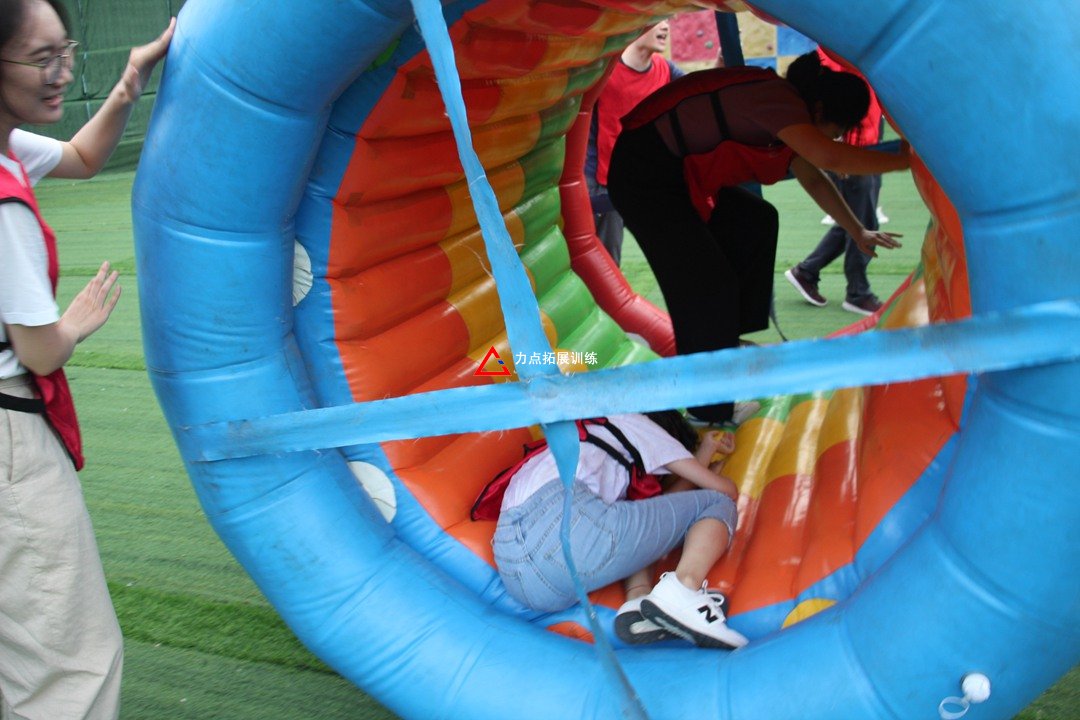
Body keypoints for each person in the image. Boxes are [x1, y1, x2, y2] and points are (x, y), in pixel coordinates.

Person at [0, 2, 173, 717]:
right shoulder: (4, 206)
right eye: (41, 58)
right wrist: (74, 323)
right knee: (68, 662)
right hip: (10, 445)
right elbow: (38, 350)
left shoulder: (10, 147)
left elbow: (79, 156)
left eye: (65, 51)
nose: (62, 73)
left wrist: (129, 81)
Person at [607, 51, 909, 425]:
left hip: (674, 174)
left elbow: (814, 177)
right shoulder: (776, 100)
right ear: (818, 109)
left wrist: (857, 230)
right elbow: (829, 158)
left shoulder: (785, 111)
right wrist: (906, 159)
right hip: (644, 175)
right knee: (707, 287)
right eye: (837, 129)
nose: (835, 137)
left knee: (755, 219)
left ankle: (727, 339)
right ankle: (706, 412)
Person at [477, 411, 748, 649]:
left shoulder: (588, 431)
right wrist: (708, 457)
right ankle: (684, 588)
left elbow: (656, 512)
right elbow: (725, 490)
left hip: (518, 574)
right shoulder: (640, 425)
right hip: (567, 527)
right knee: (717, 502)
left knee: (634, 516)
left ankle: (638, 602)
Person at [785, 47, 888, 316]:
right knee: (863, 222)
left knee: (855, 222)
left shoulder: (859, 46)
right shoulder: (840, 49)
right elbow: (838, 97)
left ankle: (807, 271)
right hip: (854, 151)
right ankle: (857, 292)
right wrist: (842, 155)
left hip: (865, 146)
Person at [585, 20, 682, 266]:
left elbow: (697, 92)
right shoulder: (605, 69)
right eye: (660, 19)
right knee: (603, 261)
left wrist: (720, 64)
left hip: (640, 182)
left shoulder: (666, 70)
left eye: (669, 20)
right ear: (638, 25)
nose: (666, 27)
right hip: (602, 183)